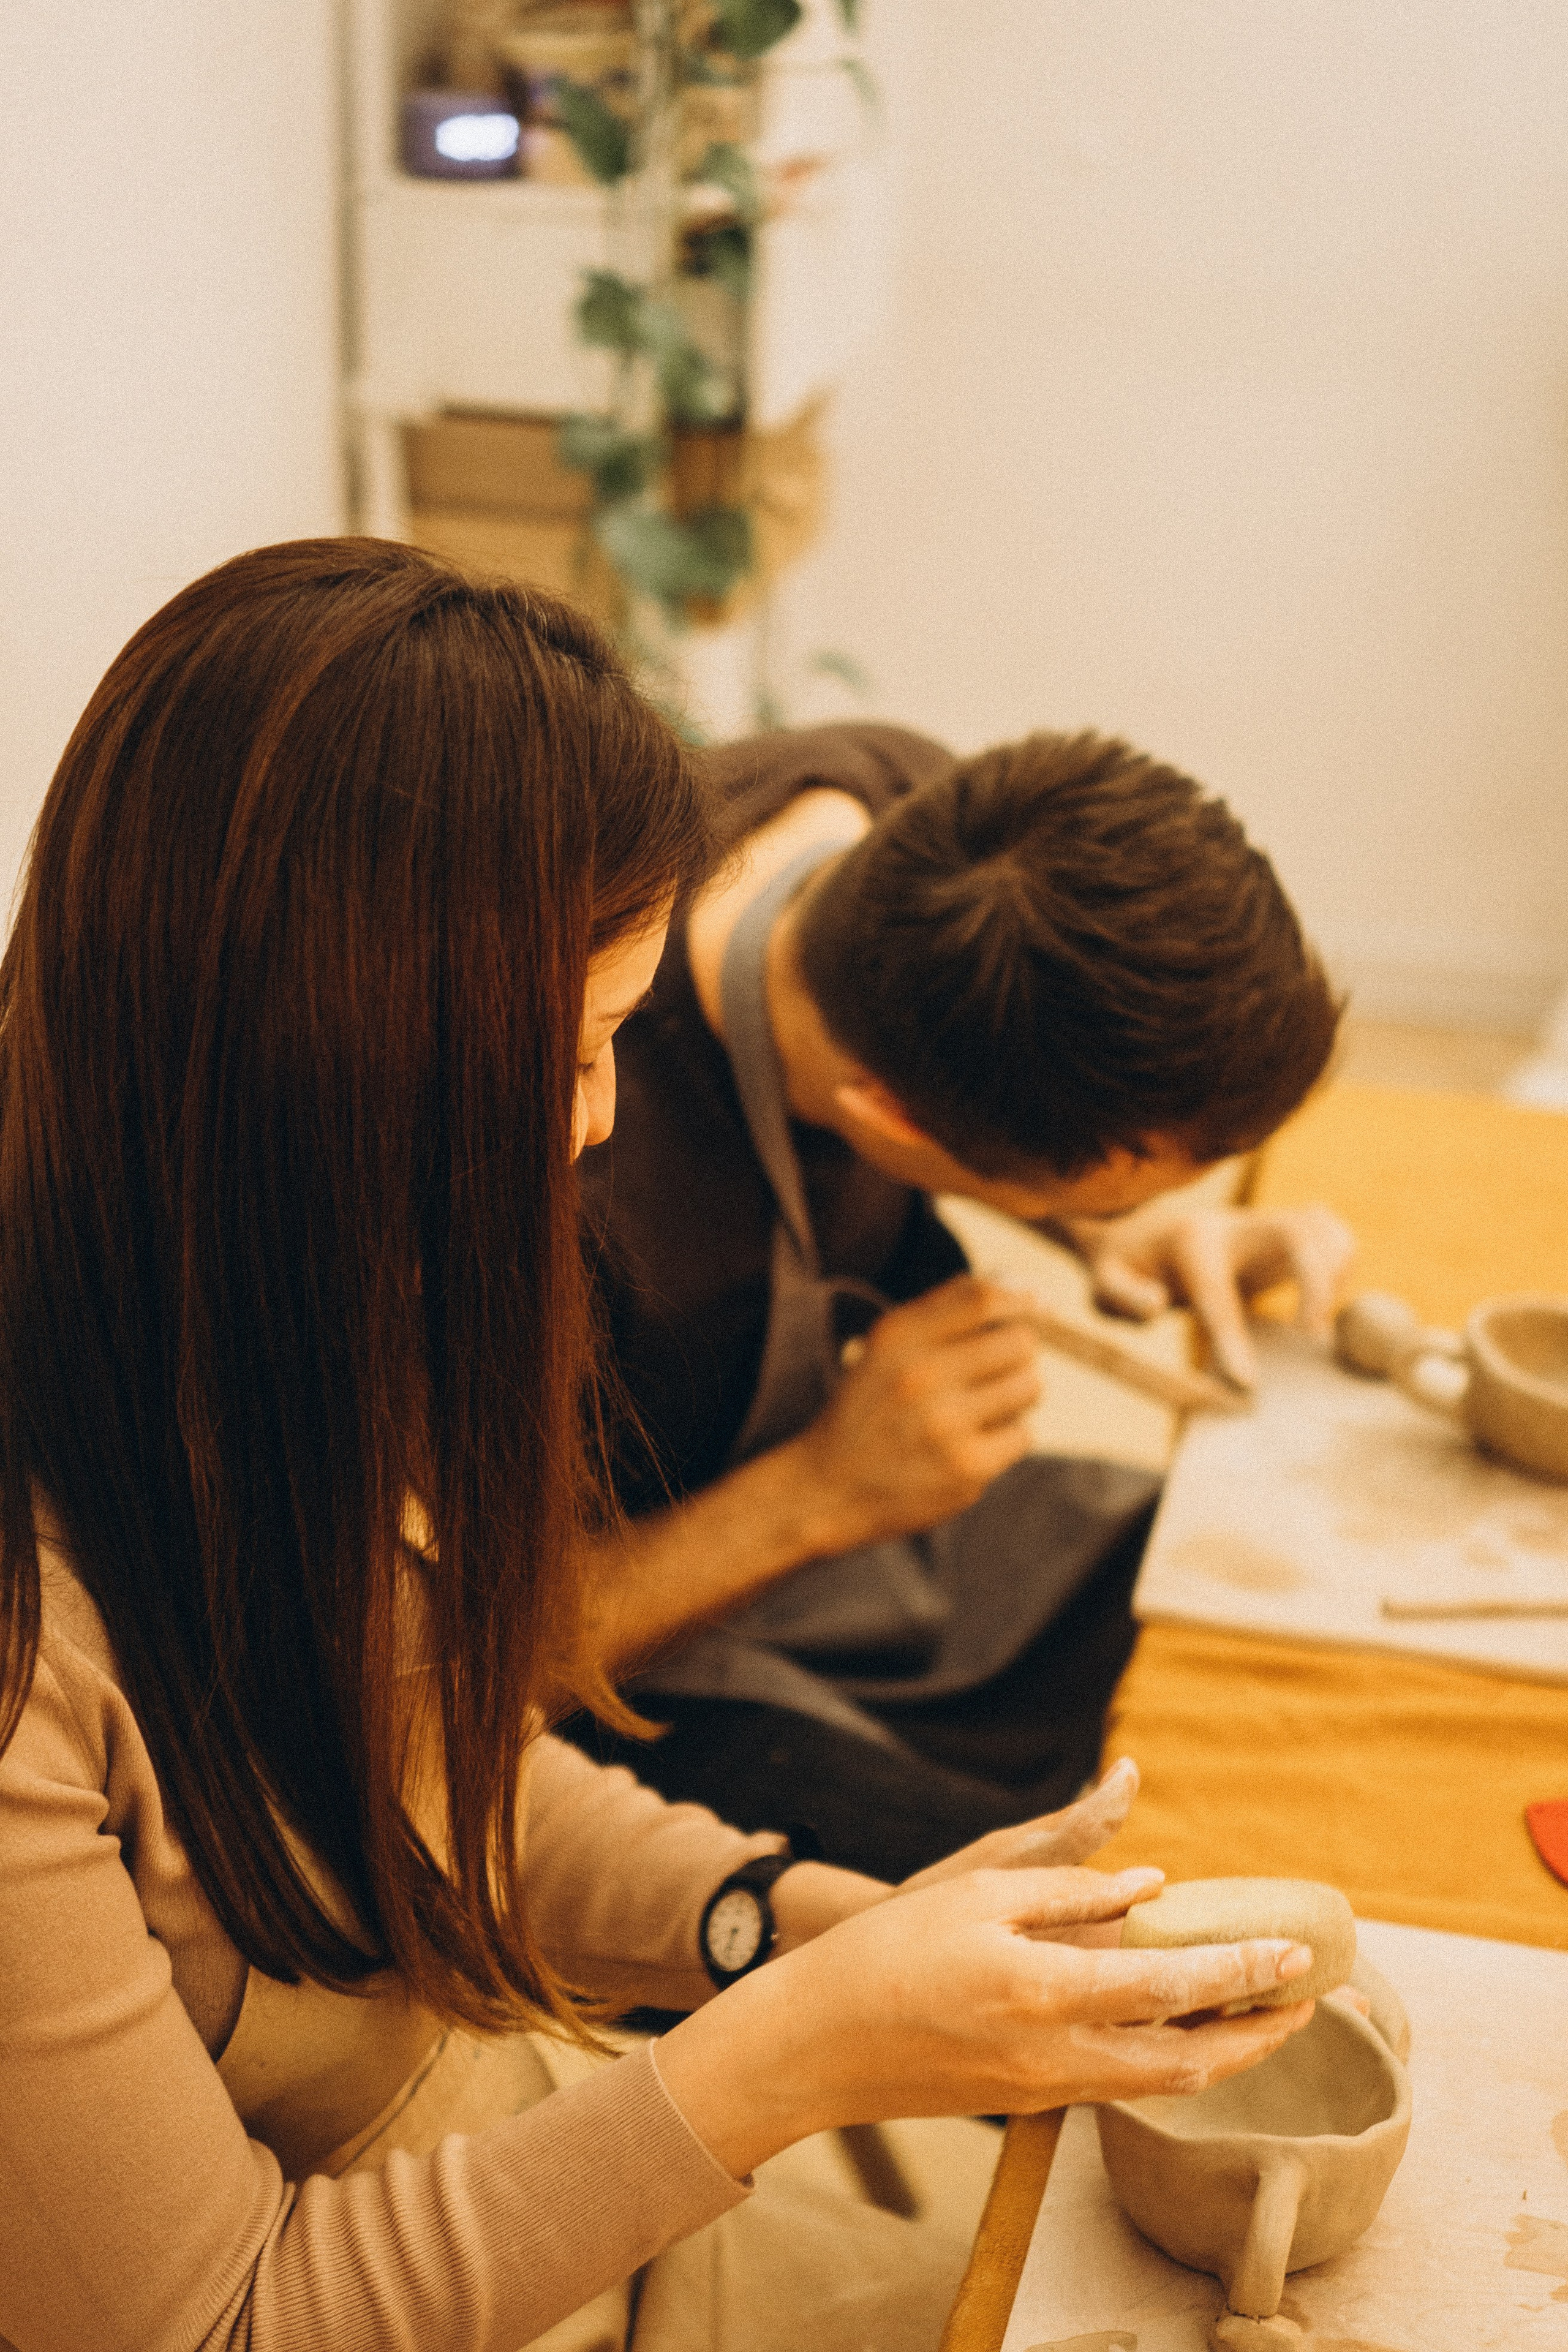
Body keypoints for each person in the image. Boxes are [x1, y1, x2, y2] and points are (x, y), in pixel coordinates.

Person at [0, 542, 1320, 2352]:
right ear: (343, 1071)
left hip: (504, 2165)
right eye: (573, 1055)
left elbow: (410, 1752)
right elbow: (220, 2318)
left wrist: (779, 1920)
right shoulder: (38, 1652)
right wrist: (801, 2050)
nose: (602, 1119)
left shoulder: (228, 1315)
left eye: (623, 1037)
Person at [568, 725, 1354, 1875]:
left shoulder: (914, 819)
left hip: (832, 1521)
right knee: (1045, 1906)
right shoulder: (574, 1162)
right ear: (894, 1123)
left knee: (1257, 1592)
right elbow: (463, 1667)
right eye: (1127, 1175)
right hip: (620, 1651)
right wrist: (823, 1491)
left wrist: (1142, 1221)